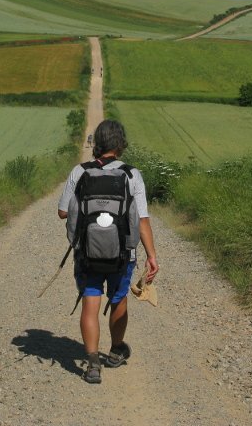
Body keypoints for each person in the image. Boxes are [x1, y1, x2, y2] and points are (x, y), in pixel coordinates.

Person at [57, 119, 159, 384]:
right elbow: (142, 220)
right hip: (122, 254)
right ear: (121, 143)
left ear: (97, 143)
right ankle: (115, 350)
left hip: (87, 253)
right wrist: (151, 256)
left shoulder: (80, 172)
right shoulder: (132, 175)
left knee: (90, 301)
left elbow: (63, 212)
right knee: (118, 298)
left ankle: (92, 364)